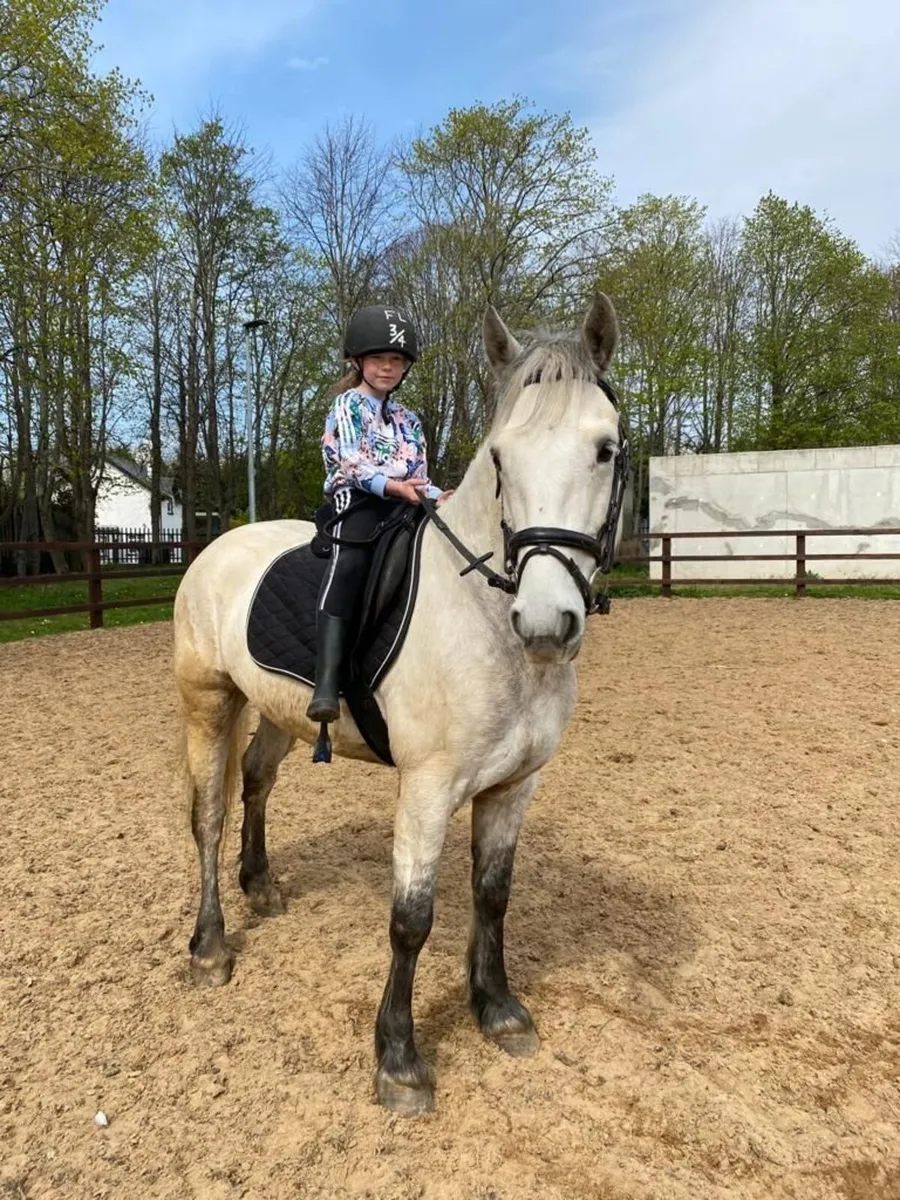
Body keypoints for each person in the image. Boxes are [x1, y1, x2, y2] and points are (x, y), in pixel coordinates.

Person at [306, 305, 452, 724]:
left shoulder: (410, 419)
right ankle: (326, 683)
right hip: (358, 500)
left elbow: (419, 476)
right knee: (350, 562)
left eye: (396, 361)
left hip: (405, 501)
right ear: (358, 362)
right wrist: (391, 487)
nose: (388, 368)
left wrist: (442, 497)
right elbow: (351, 462)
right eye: (378, 359)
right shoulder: (349, 405)